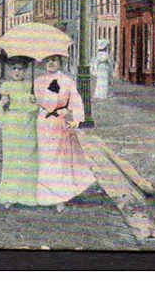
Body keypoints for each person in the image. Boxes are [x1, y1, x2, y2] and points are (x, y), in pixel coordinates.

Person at [33, 57, 97, 211]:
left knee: (58, 160)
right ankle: (44, 195)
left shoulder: (67, 81)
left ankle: (59, 197)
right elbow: (35, 104)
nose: (50, 63)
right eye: (48, 60)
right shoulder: (38, 81)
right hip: (43, 123)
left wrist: (76, 119)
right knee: (44, 158)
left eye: (54, 60)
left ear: (60, 63)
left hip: (59, 123)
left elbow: (75, 100)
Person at [0, 59, 40, 208]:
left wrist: (34, 101)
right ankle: (10, 195)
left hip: (27, 123)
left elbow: (37, 109)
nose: (17, 72)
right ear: (10, 70)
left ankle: (27, 195)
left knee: (27, 156)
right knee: (12, 158)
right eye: (14, 69)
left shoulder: (30, 86)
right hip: (12, 124)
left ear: (26, 71)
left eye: (21, 69)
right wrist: (3, 119)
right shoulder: (6, 86)